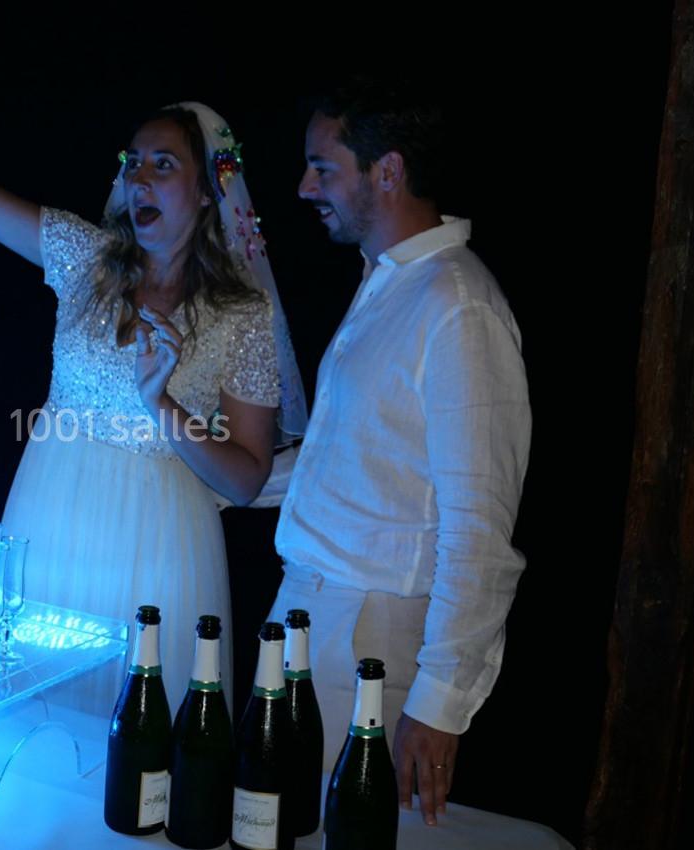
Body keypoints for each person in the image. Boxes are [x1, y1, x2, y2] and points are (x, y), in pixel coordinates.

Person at [0, 35, 307, 713]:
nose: (139, 178)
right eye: (132, 162)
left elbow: (244, 481)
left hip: (160, 546)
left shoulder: (240, 315)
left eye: (163, 164)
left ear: (209, 192)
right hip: (50, 514)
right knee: (29, 729)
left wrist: (166, 409)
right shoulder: (82, 255)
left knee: (134, 741)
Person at [269, 79, 531, 824]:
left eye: (323, 168)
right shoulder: (390, 286)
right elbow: (357, 466)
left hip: (369, 637)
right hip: (311, 618)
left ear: (386, 171)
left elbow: (478, 529)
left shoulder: (458, 305)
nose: (304, 187)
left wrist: (441, 704)